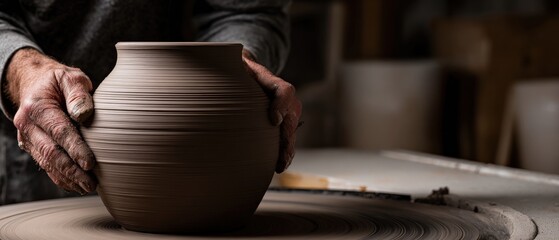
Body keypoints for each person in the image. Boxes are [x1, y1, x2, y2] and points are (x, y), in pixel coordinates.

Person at [0, 0, 302, 203]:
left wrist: (233, 65)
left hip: (193, 158)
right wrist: (22, 71)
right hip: (27, 144)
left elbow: (247, 11)